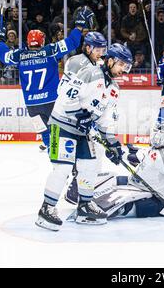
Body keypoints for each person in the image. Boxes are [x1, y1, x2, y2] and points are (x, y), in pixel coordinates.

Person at [35, 43, 133, 231]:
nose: (123, 70)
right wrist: (80, 114)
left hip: (82, 130)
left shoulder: (113, 88)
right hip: (62, 124)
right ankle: (46, 209)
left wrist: (114, 145)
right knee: (63, 168)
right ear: (110, 60)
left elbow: (106, 119)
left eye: (126, 67)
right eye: (122, 65)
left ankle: (85, 206)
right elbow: (65, 96)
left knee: (91, 164)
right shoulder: (90, 73)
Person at [0, 8, 91, 152]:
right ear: (42, 41)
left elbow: (3, 55)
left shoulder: (19, 55)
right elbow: (72, 42)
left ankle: (52, 152)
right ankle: (66, 159)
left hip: (31, 104)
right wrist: (79, 27)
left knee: (44, 132)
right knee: (61, 132)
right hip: (51, 101)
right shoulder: (49, 51)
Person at [66, 123, 164, 221]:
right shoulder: (159, 150)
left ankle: (99, 209)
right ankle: (82, 193)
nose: (156, 138)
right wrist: (121, 154)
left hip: (155, 196)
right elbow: (140, 156)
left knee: (127, 201)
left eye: (159, 135)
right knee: (112, 177)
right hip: (138, 184)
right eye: (155, 134)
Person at [59, 31, 108, 211]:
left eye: (103, 49)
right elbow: (68, 92)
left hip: (85, 116)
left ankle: (80, 192)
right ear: (87, 47)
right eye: (98, 49)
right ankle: (76, 190)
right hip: (73, 115)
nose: (101, 52)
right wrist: (80, 113)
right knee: (85, 157)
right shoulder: (76, 62)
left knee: (93, 156)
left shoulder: (98, 63)